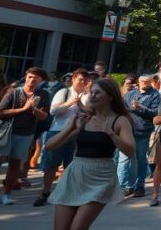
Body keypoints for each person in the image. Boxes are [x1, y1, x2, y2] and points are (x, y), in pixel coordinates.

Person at [45, 78, 135, 230]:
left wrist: (111, 134)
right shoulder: (84, 118)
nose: (92, 95)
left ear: (110, 96)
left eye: (97, 93)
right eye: (91, 92)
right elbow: (49, 146)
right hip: (75, 174)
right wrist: (72, 128)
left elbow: (131, 151)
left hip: (100, 177)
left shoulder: (120, 121)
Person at [0, 66, 49, 208]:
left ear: (41, 81)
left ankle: (7, 194)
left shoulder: (43, 95)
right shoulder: (13, 92)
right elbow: (0, 112)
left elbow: (44, 116)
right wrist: (23, 109)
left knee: (15, 164)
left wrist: (34, 110)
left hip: (26, 133)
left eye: (36, 78)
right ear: (25, 77)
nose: (32, 81)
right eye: (30, 77)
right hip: (6, 131)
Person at [35, 68, 90, 207]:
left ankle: (68, 192)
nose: (82, 82)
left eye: (85, 80)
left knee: (72, 165)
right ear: (73, 79)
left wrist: (80, 104)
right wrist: (69, 103)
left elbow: (90, 113)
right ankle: (45, 191)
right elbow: (53, 111)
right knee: (51, 164)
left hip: (78, 133)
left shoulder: (88, 95)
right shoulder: (63, 92)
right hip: (58, 131)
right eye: (80, 79)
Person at [118, 74, 160, 197]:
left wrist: (141, 108)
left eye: (147, 81)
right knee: (124, 160)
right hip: (127, 130)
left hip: (143, 131)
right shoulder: (130, 94)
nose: (144, 83)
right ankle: (123, 186)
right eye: (142, 81)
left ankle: (139, 185)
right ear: (138, 82)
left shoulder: (154, 94)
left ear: (150, 82)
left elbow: (155, 113)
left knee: (140, 159)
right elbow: (122, 109)